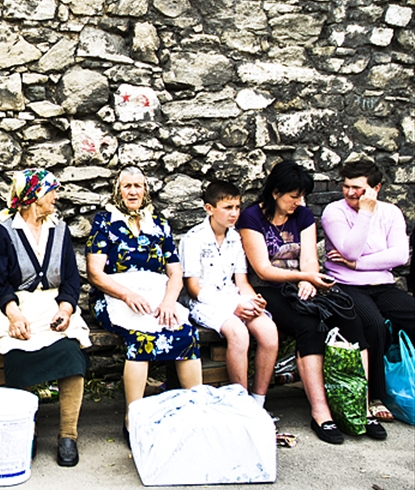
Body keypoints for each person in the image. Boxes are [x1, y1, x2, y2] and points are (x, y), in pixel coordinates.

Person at [237, 160, 385, 443]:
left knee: (351, 319)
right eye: (294, 196)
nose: (299, 202)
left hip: (302, 283)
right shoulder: (252, 217)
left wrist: (307, 279)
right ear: (276, 192)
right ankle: (321, 413)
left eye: (302, 196)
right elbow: (263, 269)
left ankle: (360, 407)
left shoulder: (303, 216)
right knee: (309, 325)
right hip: (268, 289)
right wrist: (304, 276)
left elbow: (309, 260)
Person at [86, 166, 201, 443]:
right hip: (115, 294)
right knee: (141, 337)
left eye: (138, 186)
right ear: (118, 190)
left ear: (146, 190)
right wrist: (127, 295)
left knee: (185, 333)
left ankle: (196, 412)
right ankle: (132, 417)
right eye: (127, 186)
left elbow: (175, 272)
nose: (133, 191)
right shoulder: (105, 221)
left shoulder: (158, 223)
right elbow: (95, 273)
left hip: (157, 293)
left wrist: (169, 301)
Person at [0, 169, 91, 467]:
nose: (56, 197)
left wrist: (66, 308)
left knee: (72, 352)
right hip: (14, 304)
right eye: (51, 192)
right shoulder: (4, 231)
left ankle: (68, 435)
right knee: (19, 352)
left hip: (52, 304)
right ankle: (26, 431)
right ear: (33, 198)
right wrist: (13, 313)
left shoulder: (59, 230)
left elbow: (71, 278)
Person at [321, 158, 414, 423]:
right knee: (372, 323)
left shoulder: (392, 212)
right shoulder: (334, 212)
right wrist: (365, 212)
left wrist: (357, 263)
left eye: (358, 188)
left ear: (376, 188)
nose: (351, 193)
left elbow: (399, 256)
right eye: (347, 186)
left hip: (382, 285)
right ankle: (375, 396)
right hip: (345, 285)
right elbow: (349, 248)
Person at [179, 180, 278, 407]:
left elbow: (241, 281)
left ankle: (258, 402)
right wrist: (232, 307)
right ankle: (240, 403)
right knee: (238, 332)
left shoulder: (235, 238)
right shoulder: (193, 239)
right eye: (227, 208)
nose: (234, 214)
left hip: (232, 296)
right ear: (209, 208)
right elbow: (193, 289)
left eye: (237, 207)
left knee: (269, 332)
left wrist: (253, 301)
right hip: (203, 302)